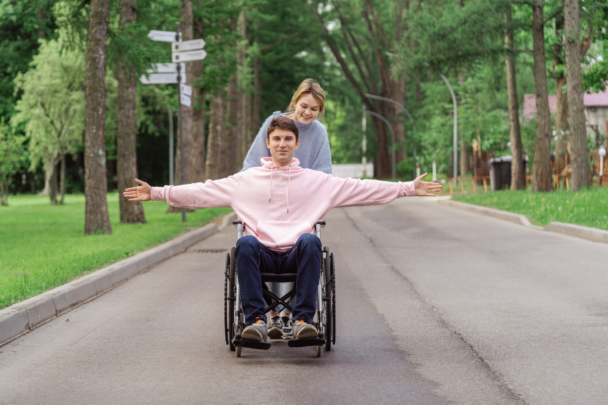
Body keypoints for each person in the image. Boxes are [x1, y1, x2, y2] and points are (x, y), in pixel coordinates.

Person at [124, 117, 441, 343]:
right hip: (260, 255)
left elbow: (360, 188)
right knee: (245, 243)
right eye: (276, 139)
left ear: (297, 144)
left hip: (297, 255)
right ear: (268, 143)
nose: (282, 144)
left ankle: (304, 320)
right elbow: (202, 191)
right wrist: (157, 192)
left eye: (288, 139)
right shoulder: (245, 181)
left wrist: (407, 188)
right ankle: (256, 322)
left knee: (310, 240)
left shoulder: (317, 182)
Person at [242, 78, 330, 339]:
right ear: (295, 102)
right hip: (268, 195)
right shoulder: (274, 125)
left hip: (303, 198)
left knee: (302, 240)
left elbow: (325, 171)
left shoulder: (319, 133)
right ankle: (267, 315)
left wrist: (306, 187)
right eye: (304, 106)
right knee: (263, 239)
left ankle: (293, 315)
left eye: (314, 109)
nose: (308, 113)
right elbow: (250, 165)